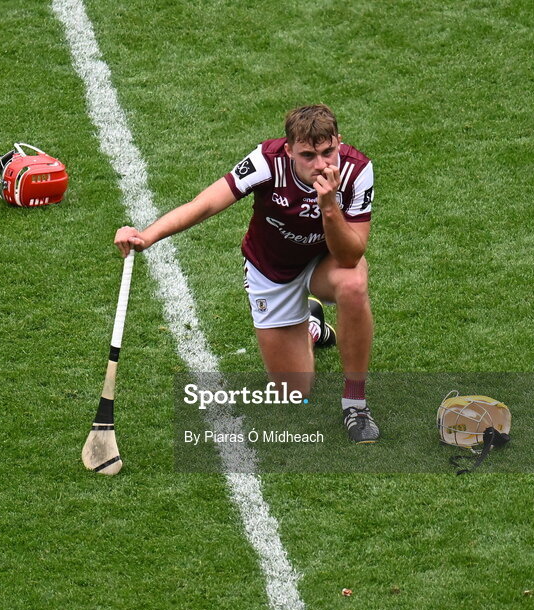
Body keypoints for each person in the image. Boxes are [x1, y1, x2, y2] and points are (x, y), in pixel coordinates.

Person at [114, 104, 379, 443]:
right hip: (271, 270)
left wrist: (329, 207)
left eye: (328, 152)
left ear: (339, 143)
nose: (321, 165)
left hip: (325, 261)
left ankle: (355, 402)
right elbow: (205, 203)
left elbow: (350, 253)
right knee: (292, 393)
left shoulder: (357, 171)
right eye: (308, 155)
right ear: (289, 150)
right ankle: (311, 326)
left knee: (353, 282)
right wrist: (147, 235)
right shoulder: (266, 162)